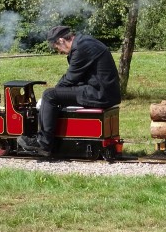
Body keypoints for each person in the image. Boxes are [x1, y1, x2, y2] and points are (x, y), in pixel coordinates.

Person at [18, 26, 122, 156]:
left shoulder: (81, 48)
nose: (59, 52)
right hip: (101, 90)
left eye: (57, 48)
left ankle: (43, 142)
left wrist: (48, 97)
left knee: (49, 95)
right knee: (53, 95)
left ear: (61, 40)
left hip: (99, 93)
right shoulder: (84, 42)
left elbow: (70, 78)